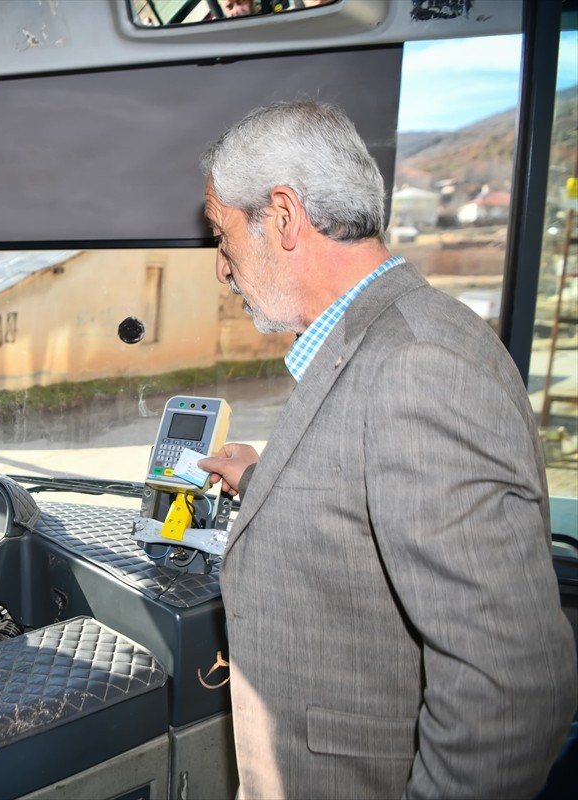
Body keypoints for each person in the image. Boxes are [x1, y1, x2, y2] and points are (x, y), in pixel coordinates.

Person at [194, 101, 576, 798]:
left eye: (222, 236)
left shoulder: (417, 364)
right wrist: (262, 480)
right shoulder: (371, 341)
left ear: (283, 216)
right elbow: (366, 499)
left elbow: (510, 692)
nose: (223, 267)